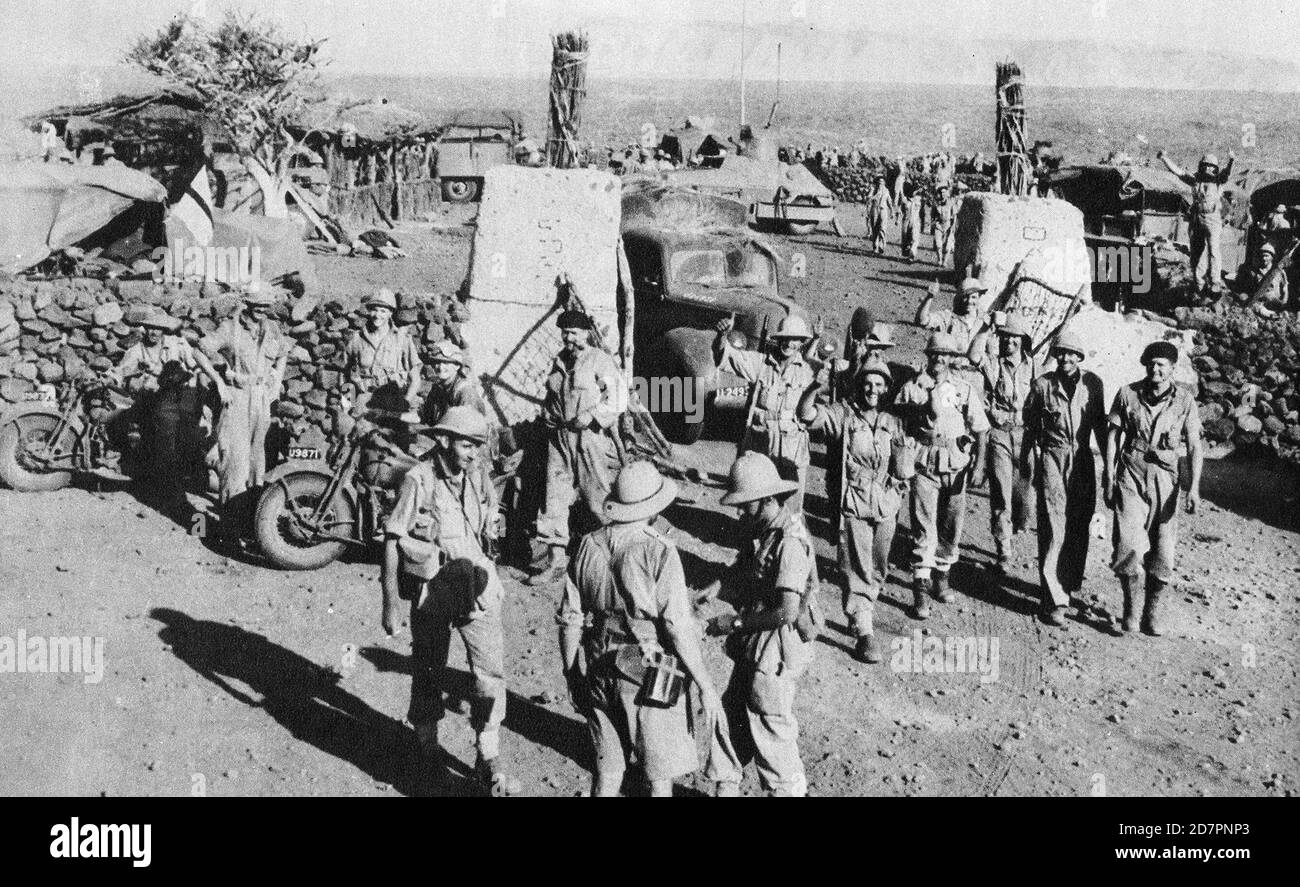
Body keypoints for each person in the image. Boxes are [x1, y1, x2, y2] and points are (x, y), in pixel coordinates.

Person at [557, 461, 724, 797]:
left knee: (608, 773)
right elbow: (676, 626)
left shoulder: (586, 545)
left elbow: (569, 618)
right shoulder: (658, 549)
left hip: (597, 662)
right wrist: (705, 683)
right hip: (645, 669)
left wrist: (573, 672)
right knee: (658, 777)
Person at [380, 406, 515, 792]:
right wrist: (390, 601)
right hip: (434, 592)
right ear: (443, 440)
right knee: (427, 670)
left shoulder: (477, 475)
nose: (474, 453)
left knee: (489, 674)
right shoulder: (418, 479)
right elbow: (392, 539)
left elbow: (491, 518)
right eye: (466, 444)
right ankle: (427, 748)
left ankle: (487, 755)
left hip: (477, 587)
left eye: (478, 445)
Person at [703, 453, 819, 797]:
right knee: (734, 709)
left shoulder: (789, 541)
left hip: (775, 649)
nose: (739, 511)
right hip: (757, 642)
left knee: (770, 724)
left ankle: (787, 791)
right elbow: (750, 570)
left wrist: (734, 623)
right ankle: (727, 783)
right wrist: (720, 586)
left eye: (745, 504)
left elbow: (786, 610)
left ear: (767, 499)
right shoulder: (765, 529)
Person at [798, 357, 911, 663]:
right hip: (855, 501)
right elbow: (806, 414)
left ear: (886, 388)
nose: (872, 389)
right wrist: (816, 386)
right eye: (867, 383)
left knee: (878, 566)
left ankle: (862, 612)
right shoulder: (843, 414)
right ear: (858, 385)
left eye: (878, 384)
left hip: (887, 503)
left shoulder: (893, 420)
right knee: (856, 568)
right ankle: (864, 628)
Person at [1104, 341, 1203, 637]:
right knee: (1127, 545)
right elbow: (1112, 436)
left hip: (1166, 478)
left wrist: (1193, 488)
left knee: (1163, 553)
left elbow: (1195, 446)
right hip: (1131, 473)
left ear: (1173, 368)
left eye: (1162, 364)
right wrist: (1108, 476)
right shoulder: (1128, 394)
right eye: (1151, 363)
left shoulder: (1185, 400)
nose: (1155, 369)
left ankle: (1151, 613)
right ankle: (1131, 611)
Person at [895, 333, 990, 618]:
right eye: (934, 354)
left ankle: (942, 577)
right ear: (927, 356)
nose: (939, 359)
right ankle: (920, 589)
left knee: (951, 526)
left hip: (956, 465)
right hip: (924, 463)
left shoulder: (963, 389)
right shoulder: (913, 387)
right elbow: (898, 421)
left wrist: (980, 463)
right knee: (924, 527)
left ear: (952, 359)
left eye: (944, 354)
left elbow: (981, 429)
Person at [530, 309, 627, 586]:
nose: (568, 337)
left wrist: (593, 415)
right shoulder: (559, 361)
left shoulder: (599, 360)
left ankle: (614, 559)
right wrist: (548, 413)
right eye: (565, 332)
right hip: (560, 439)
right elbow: (553, 394)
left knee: (598, 499)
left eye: (573, 332)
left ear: (586, 333)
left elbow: (618, 397)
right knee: (555, 498)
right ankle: (556, 560)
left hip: (589, 440)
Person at [1022, 329, 1107, 626]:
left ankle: (1068, 584)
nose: (1066, 359)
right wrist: (1027, 462)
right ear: (1056, 356)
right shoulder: (1043, 385)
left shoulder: (1093, 385)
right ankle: (1053, 599)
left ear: (1080, 357)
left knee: (1078, 525)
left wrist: (1109, 465)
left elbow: (1100, 427)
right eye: (1061, 353)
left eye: (1072, 354)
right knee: (1053, 525)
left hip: (1082, 459)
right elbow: (1030, 427)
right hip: (1053, 457)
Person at [115, 307, 225, 508]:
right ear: (145, 329)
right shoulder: (137, 350)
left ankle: (194, 480)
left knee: (188, 441)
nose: (153, 333)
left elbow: (195, 365)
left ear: (164, 330)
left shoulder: (177, 344)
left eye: (158, 329)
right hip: (156, 402)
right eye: (150, 328)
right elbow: (120, 372)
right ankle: (166, 488)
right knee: (163, 443)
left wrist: (193, 382)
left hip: (183, 397)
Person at [201, 288, 290, 531]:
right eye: (257, 305)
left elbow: (283, 353)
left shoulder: (271, 329)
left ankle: (252, 524)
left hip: (261, 398)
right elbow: (201, 349)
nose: (261, 310)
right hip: (237, 396)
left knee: (256, 462)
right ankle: (229, 526)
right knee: (234, 461)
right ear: (247, 305)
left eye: (266, 306)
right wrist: (219, 383)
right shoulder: (230, 328)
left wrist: (276, 383)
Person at [715, 313, 817, 512]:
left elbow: (844, 378)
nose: (788, 343)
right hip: (760, 444)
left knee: (790, 508)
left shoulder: (809, 370)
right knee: (756, 502)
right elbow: (726, 357)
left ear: (802, 343)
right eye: (784, 338)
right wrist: (722, 336)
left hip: (791, 450)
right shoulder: (761, 364)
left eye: (794, 339)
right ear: (777, 340)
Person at [967, 313, 1036, 574]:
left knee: (1023, 494)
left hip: (1025, 436)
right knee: (1000, 491)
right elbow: (973, 355)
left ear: (1022, 340)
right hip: (999, 434)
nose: (1009, 341)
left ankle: (1015, 527)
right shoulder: (994, 364)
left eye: (1014, 337)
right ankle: (1004, 549)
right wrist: (986, 326)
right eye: (1005, 336)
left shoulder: (1033, 366)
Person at [1158, 149, 1235, 294]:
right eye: (1205, 165)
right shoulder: (1195, 180)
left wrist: (1231, 160)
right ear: (1201, 166)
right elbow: (1178, 172)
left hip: (1213, 218)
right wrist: (1164, 158)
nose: (1208, 168)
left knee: (1213, 250)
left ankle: (1215, 281)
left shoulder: (1219, 180)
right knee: (1196, 252)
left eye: (1211, 166)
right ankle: (1199, 283)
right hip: (1197, 218)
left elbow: (1228, 172)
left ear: (1215, 168)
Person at [341, 289, 422, 419]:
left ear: (390, 313)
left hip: (393, 403)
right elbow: (345, 376)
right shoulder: (357, 339)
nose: (377, 315)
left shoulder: (401, 339)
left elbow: (416, 379)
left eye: (383, 311)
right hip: (364, 404)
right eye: (374, 309)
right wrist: (347, 406)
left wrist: (404, 403)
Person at [916, 276, 986, 358]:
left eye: (974, 297)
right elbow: (922, 321)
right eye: (965, 297)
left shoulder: (985, 321)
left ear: (979, 298)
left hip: (974, 369)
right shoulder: (948, 317)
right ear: (960, 298)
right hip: (949, 367)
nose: (969, 301)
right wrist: (930, 297)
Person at [864, 174, 894, 255]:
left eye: (882, 182)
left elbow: (889, 202)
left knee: (883, 228)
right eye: (879, 182)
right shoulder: (873, 190)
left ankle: (882, 245)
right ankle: (875, 246)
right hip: (874, 209)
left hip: (883, 210)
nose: (880, 184)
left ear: (884, 183)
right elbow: (868, 199)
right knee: (874, 228)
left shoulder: (886, 191)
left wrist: (892, 211)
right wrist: (873, 195)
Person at [930, 183, 957, 267]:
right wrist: (934, 224)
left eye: (944, 192)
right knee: (938, 245)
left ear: (947, 193)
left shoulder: (951, 203)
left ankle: (945, 261)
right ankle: (939, 260)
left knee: (947, 245)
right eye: (941, 192)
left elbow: (954, 215)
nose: (943, 194)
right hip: (939, 224)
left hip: (948, 224)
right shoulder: (936, 204)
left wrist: (953, 226)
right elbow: (933, 216)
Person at [899, 182, 922, 262]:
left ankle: (912, 255)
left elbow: (921, 211)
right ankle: (907, 252)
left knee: (914, 238)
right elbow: (902, 210)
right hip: (906, 220)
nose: (914, 193)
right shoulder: (905, 200)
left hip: (915, 220)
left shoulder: (919, 200)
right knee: (906, 238)